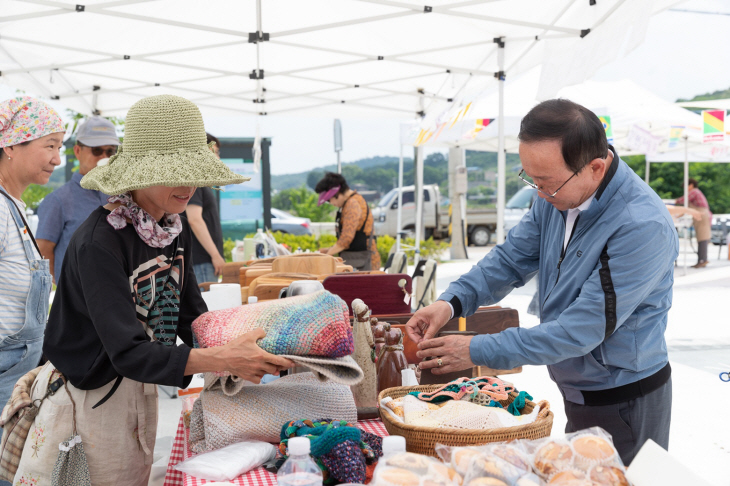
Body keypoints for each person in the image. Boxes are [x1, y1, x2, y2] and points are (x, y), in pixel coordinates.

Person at [9, 95, 293, 485]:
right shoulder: (100, 242)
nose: (189, 185)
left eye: (195, 173)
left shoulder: (172, 228)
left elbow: (191, 315)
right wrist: (222, 358)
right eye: (176, 172)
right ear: (139, 174)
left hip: (137, 379)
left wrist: (256, 343)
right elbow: (126, 351)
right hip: (88, 393)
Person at [406, 99, 678, 466]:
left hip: (624, 398)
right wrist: (451, 302)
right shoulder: (556, 196)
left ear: (595, 168)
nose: (538, 193)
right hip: (577, 385)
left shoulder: (640, 225)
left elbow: (578, 331)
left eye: (546, 183)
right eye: (530, 178)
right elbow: (509, 260)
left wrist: (475, 349)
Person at [0, 96, 65, 408]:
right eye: (50, 145)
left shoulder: (14, 205)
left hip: (17, 375)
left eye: (60, 147)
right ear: (10, 146)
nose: (57, 159)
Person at [35, 115, 121, 284]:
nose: (104, 156)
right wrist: (66, 290)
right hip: (78, 301)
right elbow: (43, 253)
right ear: (77, 151)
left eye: (110, 151)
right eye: (96, 150)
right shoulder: (58, 200)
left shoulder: (121, 195)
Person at [315, 172, 380, 271]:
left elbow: (345, 240)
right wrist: (328, 250)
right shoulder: (352, 201)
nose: (331, 203)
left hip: (363, 264)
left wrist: (327, 256)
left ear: (336, 193)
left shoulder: (352, 204)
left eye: (329, 200)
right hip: (358, 260)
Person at [185, 132, 226, 284]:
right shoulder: (196, 181)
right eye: (214, 152)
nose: (217, 158)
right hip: (202, 261)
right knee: (207, 307)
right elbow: (194, 219)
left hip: (204, 261)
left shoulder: (201, 182)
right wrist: (215, 255)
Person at [675, 178, 712, 268]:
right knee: (701, 237)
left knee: (702, 237)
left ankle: (702, 260)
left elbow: (683, 200)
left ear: (691, 185)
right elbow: (686, 208)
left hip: (701, 214)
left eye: (686, 186)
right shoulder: (696, 193)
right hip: (701, 214)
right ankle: (702, 259)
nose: (685, 189)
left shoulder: (694, 192)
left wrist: (674, 201)